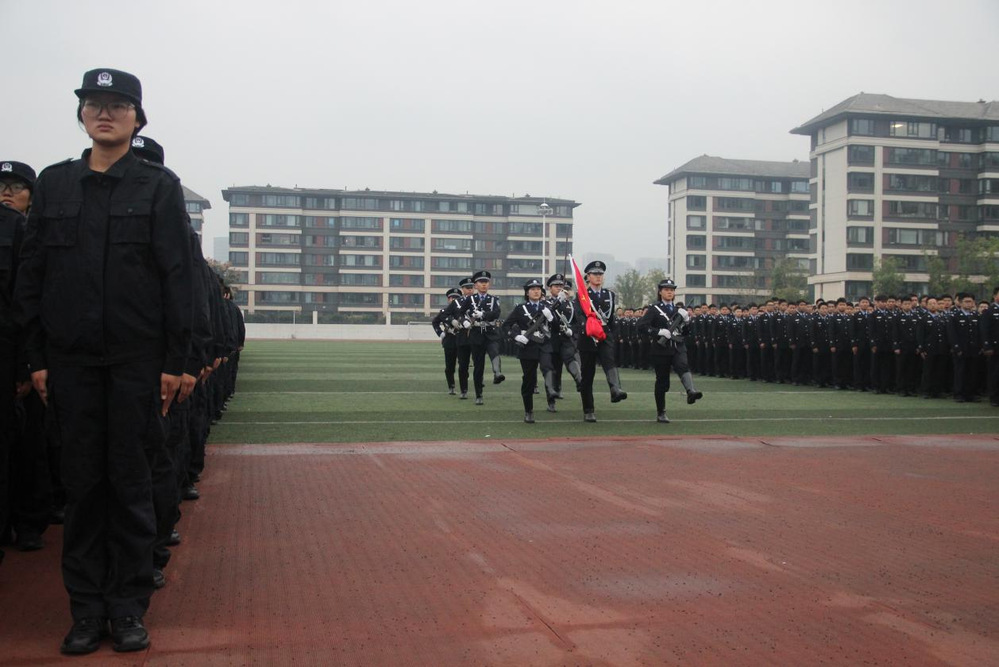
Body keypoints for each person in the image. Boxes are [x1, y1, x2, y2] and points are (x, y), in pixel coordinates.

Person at [14, 68, 194, 654]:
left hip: (137, 364)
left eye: (118, 105)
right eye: (94, 104)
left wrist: (177, 360)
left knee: (131, 484)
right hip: (70, 365)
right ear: (82, 116)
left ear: (137, 118)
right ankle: (87, 610)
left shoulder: (157, 186)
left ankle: (128, 606)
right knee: (83, 488)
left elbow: (177, 276)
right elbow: (32, 276)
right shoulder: (54, 184)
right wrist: (36, 358)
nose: (105, 113)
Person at [637, 278, 702, 423]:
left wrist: (686, 321)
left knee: (683, 366)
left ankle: (690, 391)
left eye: (672, 290)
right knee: (662, 382)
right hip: (661, 349)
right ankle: (661, 412)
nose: (669, 292)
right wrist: (659, 332)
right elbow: (641, 326)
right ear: (660, 292)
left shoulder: (678, 310)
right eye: (666, 289)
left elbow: (686, 333)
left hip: (678, 346)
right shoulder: (654, 309)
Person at [576, 260, 626, 423]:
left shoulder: (609, 295)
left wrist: (612, 335)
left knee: (609, 362)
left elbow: (611, 319)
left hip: (604, 335)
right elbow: (579, 316)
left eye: (600, 274)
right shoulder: (582, 295)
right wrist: (588, 330)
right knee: (587, 374)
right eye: (595, 274)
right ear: (588, 277)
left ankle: (615, 389)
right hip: (588, 337)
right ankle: (588, 410)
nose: (598, 277)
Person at [504, 278, 555, 423]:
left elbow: (556, 327)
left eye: (538, 289)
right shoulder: (520, 309)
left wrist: (551, 318)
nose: (536, 291)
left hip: (544, 344)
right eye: (533, 289)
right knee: (529, 379)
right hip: (528, 347)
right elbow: (506, 326)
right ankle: (529, 410)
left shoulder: (547, 307)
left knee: (548, 368)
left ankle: (551, 393)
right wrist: (516, 336)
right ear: (527, 293)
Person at [455, 270, 502, 405]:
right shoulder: (470, 299)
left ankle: (497, 372)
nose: (484, 284)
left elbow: (496, 313)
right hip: (476, 333)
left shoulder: (494, 299)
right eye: (481, 282)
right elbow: (460, 313)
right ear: (475, 285)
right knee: (478, 366)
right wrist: (464, 321)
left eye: (486, 282)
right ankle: (479, 394)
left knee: (494, 351)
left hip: (490, 332)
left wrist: (484, 315)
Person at [431, 287, 461, 394]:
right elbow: (435, 322)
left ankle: (464, 387)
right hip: (449, 340)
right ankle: (451, 386)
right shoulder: (444, 312)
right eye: (452, 298)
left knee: (463, 365)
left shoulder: (463, 311)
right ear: (448, 299)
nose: (454, 300)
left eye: (457, 298)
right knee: (450, 366)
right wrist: (440, 333)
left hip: (462, 340)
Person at [981, 286, 999, 407]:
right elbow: (984, 331)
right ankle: (994, 397)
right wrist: (987, 346)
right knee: (995, 373)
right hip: (995, 348)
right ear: (994, 296)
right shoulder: (989, 311)